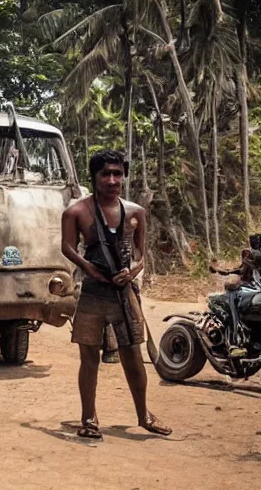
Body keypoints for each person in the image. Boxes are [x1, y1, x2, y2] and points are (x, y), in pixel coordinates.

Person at [61, 149, 171, 439]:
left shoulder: (135, 212)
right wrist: (89, 268)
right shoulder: (76, 212)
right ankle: (89, 418)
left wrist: (132, 270)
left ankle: (144, 415)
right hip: (94, 293)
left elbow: (140, 253)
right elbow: (67, 247)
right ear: (94, 178)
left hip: (125, 294)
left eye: (117, 174)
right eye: (105, 174)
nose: (112, 180)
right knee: (89, 358)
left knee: (133, 355)